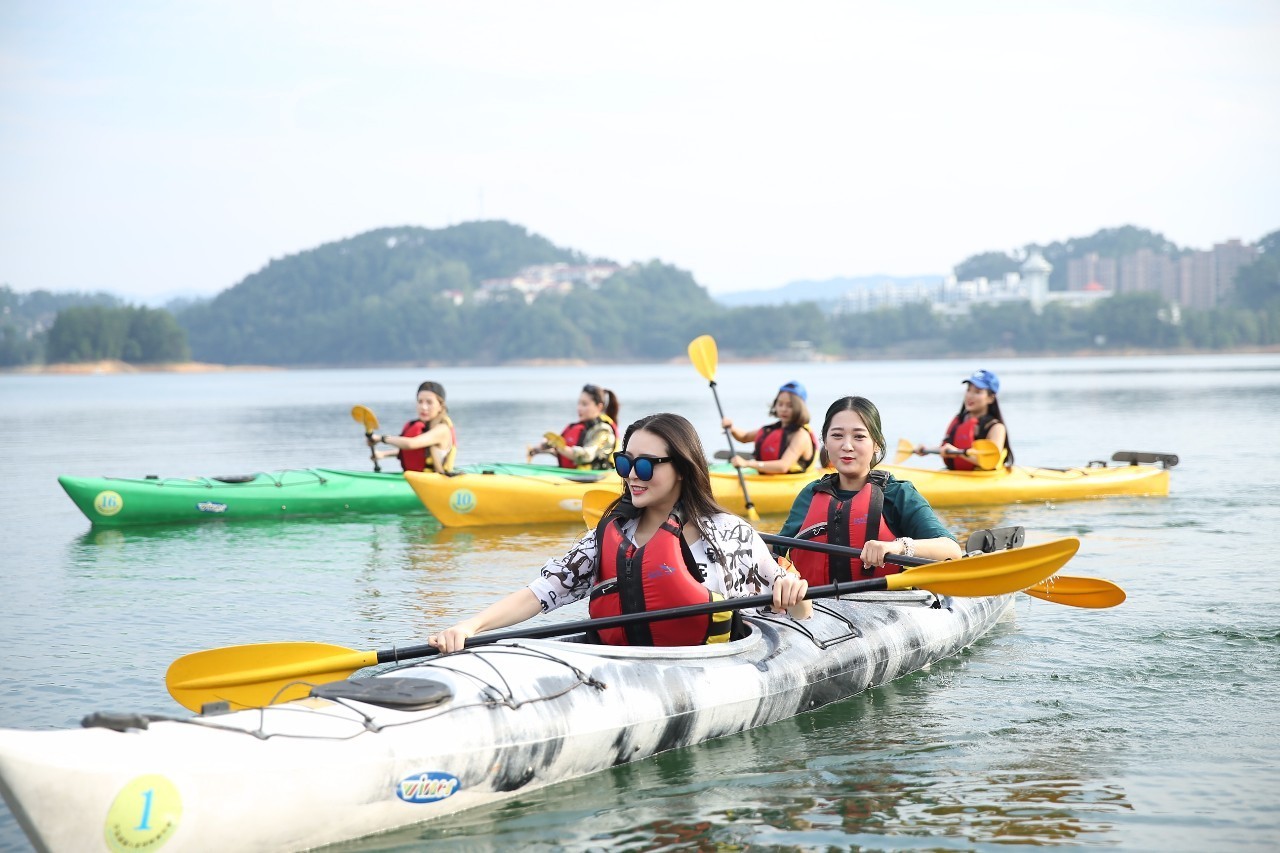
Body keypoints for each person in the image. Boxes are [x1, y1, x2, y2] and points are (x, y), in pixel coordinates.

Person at [431, 412, 811, 652]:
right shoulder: (609, 536)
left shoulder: (730, 535)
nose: (631, 475)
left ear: (681, 468)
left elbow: (799, 609)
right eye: (625, 461)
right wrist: (470, 625)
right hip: (626, 670)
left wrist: (794, 593)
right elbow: (540, 593)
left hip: (710, 668)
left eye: (645, 466)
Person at [779, 396, 962, 584]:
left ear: (876, 444)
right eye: (837, 435)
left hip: (884, 606)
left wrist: (898, 547)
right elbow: (773, 550)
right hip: (816, 607)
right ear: (825, 441)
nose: (847, 446)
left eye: (859, 436)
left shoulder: (898, 493)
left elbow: (952, 551)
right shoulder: (811, 494)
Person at [916, 369, 1013, 470]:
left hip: (986, 478)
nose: (970, 396)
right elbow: (946, 447)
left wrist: (958, 453)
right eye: (968, 390)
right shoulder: (960, 420)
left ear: (990, 398)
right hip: (958, 475)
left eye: (977, 392)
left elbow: (992, 461)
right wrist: (926, 450)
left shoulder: (996, 427)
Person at [721, 380, 819, 474]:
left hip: (792, 482)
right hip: (768, 480)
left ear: (799, 408)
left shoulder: (801, 435)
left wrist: (747, 463)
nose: (783, 409)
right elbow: (745, 437)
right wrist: (731, 428)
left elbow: (783, 466)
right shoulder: (773, 429)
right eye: (780, 404)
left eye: (790, 406)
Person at [368, 381, 456, 474]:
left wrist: (380, 438)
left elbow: (411, 444)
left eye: (429, 402)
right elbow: (418, 452)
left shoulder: (442, 429)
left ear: (440, 407)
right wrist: (383, 454)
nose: (423, 407)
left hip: (438, 482)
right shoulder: (427, 426)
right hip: (421, 480)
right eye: (420, 401)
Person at [527, 384, 620, 470]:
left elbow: (586, 455)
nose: (579, 408)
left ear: (599, 407)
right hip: (578, 476)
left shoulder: (603, 431)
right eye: (579, 403)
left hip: (597, 478)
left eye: (584, 404)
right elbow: (567, 453)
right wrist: (542, 449)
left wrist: (559, 447)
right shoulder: (585, 427)